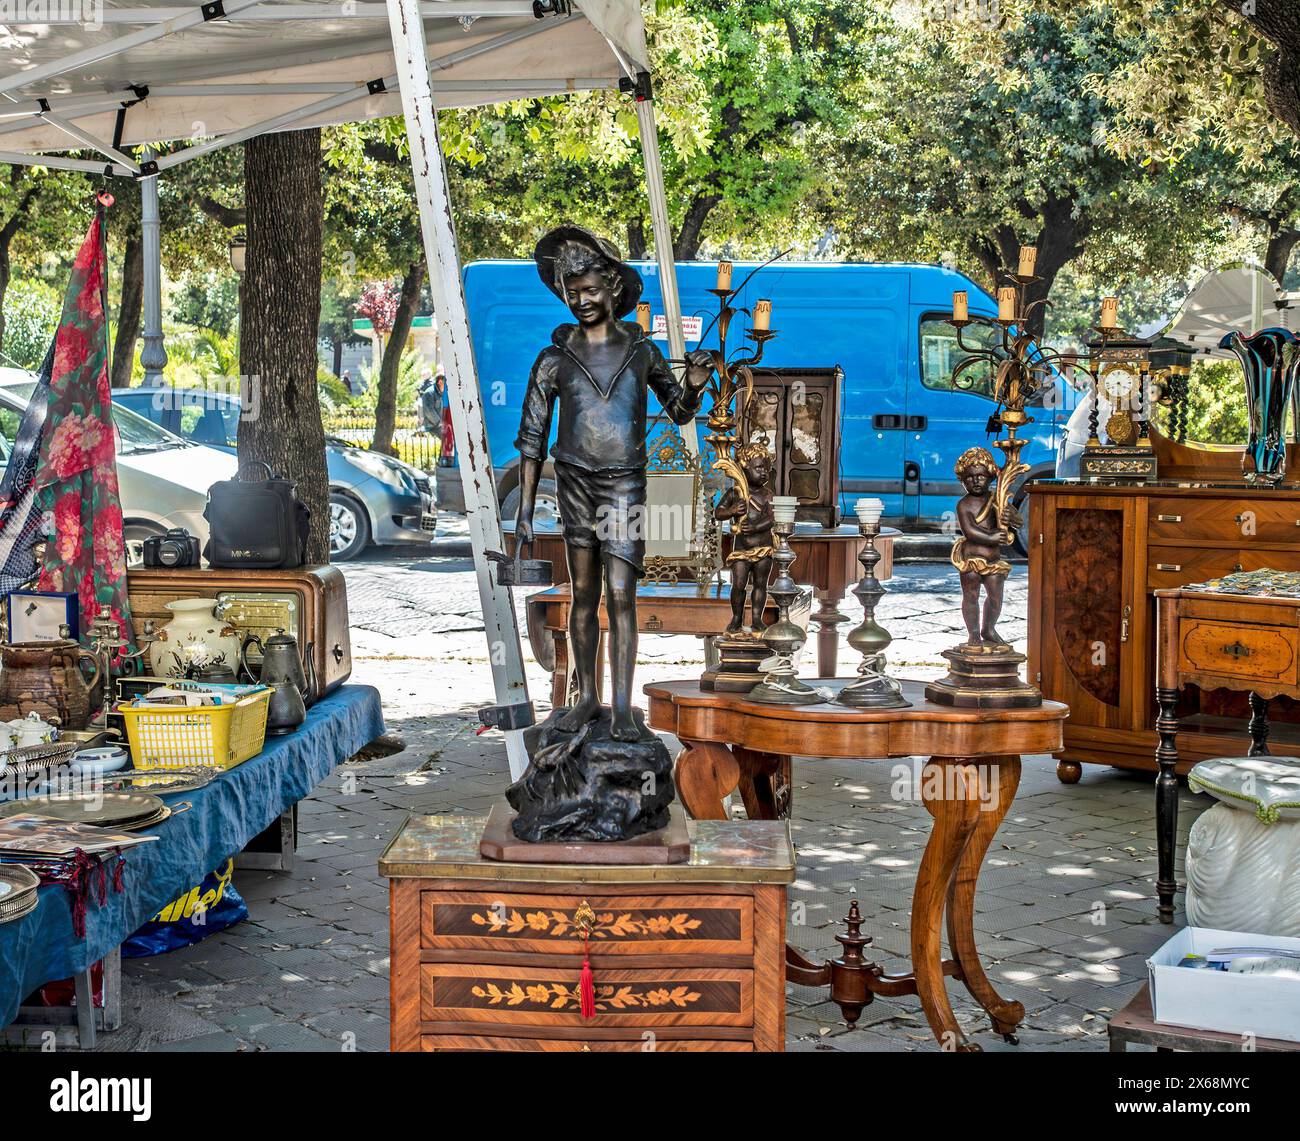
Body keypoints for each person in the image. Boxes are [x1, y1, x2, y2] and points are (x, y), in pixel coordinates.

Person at [515, 225, 713, 742]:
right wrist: (522, 511)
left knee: (622, 593)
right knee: (583, 592)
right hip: (575, 483)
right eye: (572, 292)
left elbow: (680, 410)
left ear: (613, 289)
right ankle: (586, 700)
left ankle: (623, 706)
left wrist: (692, 385)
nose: (581, 300)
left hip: (625, 484)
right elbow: (531, 439)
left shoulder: (642, 352)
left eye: (591, 290)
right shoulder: (552, 360)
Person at [950, 446, 1020, 650]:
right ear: (962, 480)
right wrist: (991, 536)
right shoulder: (964, 505)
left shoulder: (996, 498)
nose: (976, 481)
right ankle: (973, 633)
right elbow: (970, 531)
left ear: (990, 477)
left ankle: (988, 628)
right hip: (971, 560)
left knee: (996, 597)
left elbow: (1018, 520)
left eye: (981, 476)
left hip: (993, 560)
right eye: (969, 478)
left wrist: (1010, 517)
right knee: (970, 596)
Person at [713, 441, 775, 634]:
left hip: (763, 548)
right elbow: (718, 512)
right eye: (758, 468)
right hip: (741, 548)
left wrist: (756, 526)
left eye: (766, 468)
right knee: (738, 584)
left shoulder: (767, 495)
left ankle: (757, 618)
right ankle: (737, 618)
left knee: (760, 583)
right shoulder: (736, 493)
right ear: (744, 468)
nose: (763, 472)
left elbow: (772, 519)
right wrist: (732, 510)